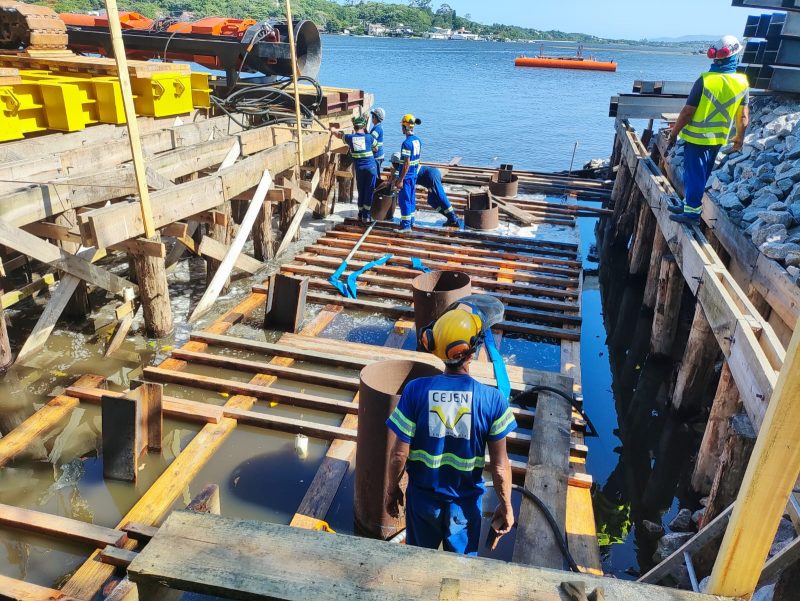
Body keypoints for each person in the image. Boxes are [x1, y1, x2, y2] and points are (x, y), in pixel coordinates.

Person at [384, 295, 516, 555]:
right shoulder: (492, 399)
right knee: (459, 574)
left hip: (422, 501)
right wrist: (506, 506)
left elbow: (399, 455)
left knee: (418, 564)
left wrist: (391, 490)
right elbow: (500, 467)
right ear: (473, 350)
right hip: (464, 507)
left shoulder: (415, 391)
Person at [667, 35, 750, 225]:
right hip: (718, 139)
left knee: (694, 174)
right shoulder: (742, 82)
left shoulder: (705, 80)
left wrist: (674, 134)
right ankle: (689, 204)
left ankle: (692, 215)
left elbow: (687, 112)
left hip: (697, 138)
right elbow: (743, 117)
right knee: (701, 174)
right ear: (734, 56)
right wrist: (739, 139)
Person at [384, 152, 462, 228]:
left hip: (431, 176)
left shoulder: (405, 167)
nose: (393, 165)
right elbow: (394, 178)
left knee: (440, 196)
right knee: (431, 201)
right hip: (430, 178)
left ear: (397, 163)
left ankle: (453, 218)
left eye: (393, 163)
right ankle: (450, 218)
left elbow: (395, 180)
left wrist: (384, 185)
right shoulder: (402, 167)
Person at [331, 115, 379, 223]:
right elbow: (376, 148)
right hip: (371, 168)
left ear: (355, 127)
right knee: (369, 191)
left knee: (361, 191)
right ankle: (366, 216)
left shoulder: (350, 138)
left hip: (360, 169)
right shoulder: (369, 137)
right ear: (364, 126)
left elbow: (339, 135)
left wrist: (333, 130)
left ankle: (360, 214)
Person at [395, 114, 423, 231]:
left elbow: (406, 164)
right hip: (413, 175)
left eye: (402, 126)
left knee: (404, 200)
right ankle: (410, 221)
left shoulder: (406, 143)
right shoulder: (417, 141)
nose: (401, 128)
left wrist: (400, 179)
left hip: (406, 177)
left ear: (405, 127)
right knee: (411, 198)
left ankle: (406, 226)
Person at [369, 107, 386, 172]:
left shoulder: (377, 129)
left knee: (375, 174)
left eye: (373, 116)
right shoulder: (378, 127)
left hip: (377, 156)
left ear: (375, 118)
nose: (371, 118)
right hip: (379, 155)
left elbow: (371, 139)